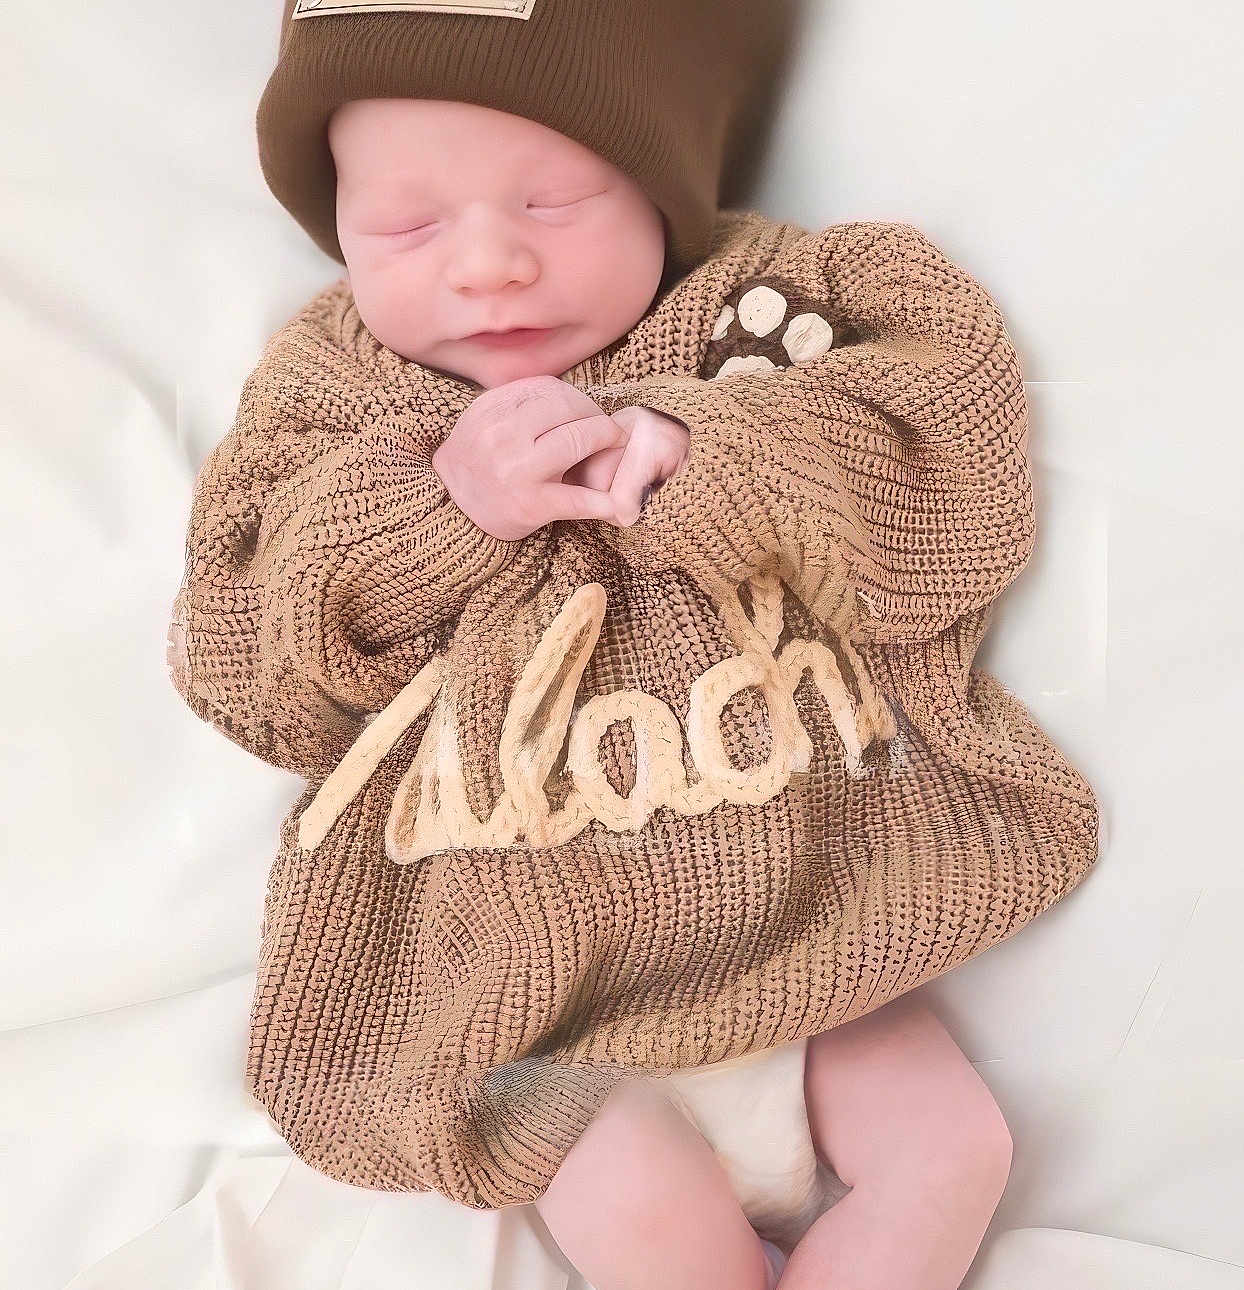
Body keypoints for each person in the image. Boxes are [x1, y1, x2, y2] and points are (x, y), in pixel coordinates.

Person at [166, 4, 1099, 1288]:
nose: (487, 265)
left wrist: (723, 449)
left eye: (554, 202)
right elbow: (244, 646)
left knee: (954, 1151)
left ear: (665, 178)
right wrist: (441, 509)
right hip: (530, 995)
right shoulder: (334, 391)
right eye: (409, 225)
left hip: (816, 919)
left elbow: (949, 457)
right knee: (660, 1235)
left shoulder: (777, 305)